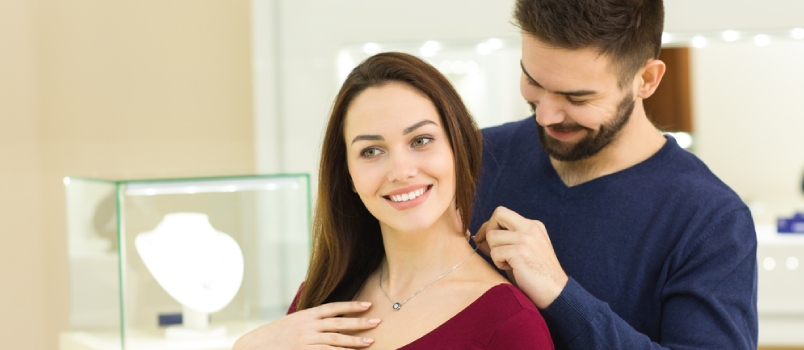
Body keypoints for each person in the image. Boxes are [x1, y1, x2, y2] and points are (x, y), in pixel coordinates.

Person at [468, 0, 758, 349]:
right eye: (532, 81)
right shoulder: (477, 156)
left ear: (646, 80)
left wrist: (559, 293)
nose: (545, 116)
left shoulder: (711, 220)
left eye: (577, 98)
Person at [234, 52, 553, 349]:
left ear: (459, 150)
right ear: (349, 177)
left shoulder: (509, 322)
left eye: (421, 140)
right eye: (371, 151)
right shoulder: (319, 298)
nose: (400, 171)